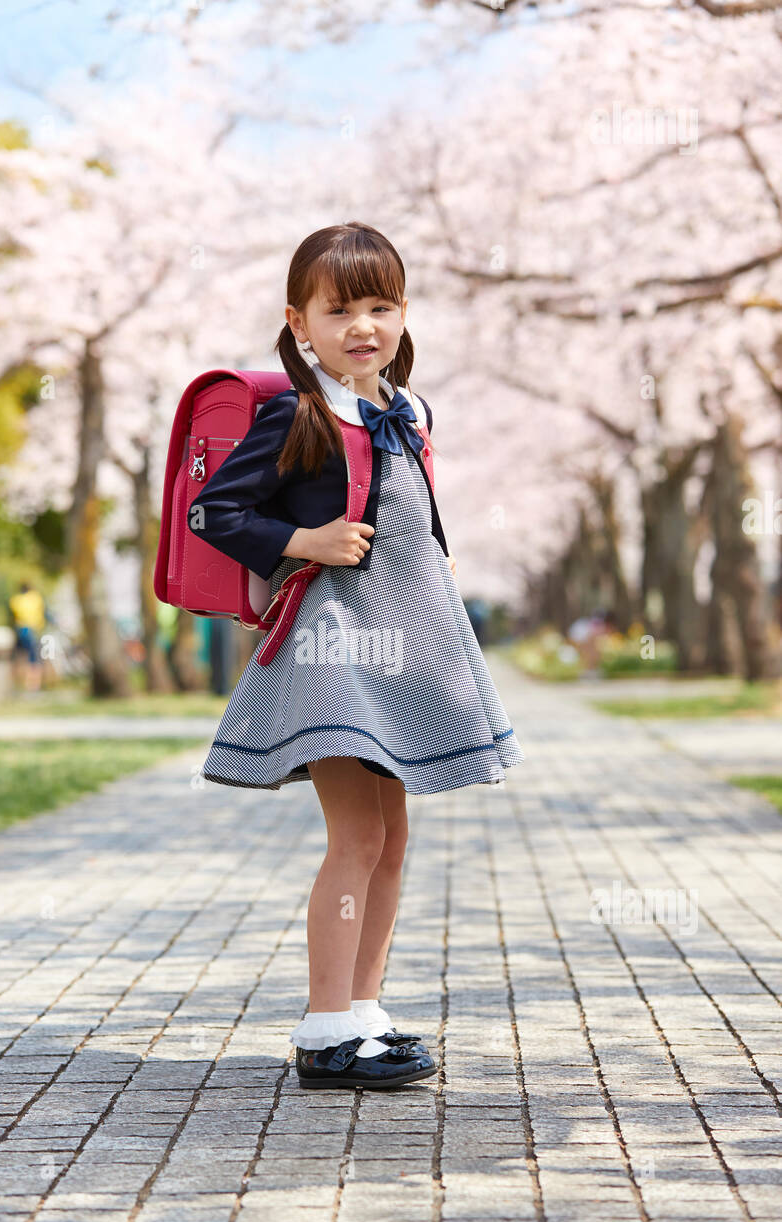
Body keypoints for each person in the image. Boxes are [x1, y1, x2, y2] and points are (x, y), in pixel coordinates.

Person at [187, 222, 526, 1091]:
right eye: (340, 310)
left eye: (381, 306)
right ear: (299, 322)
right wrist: (306, 536)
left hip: (399, 649)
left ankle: (365, 1011)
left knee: (395, 834)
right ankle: (324, 1025)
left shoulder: (405, 410)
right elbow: (214, 514)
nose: (363, 326)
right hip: (333, 652)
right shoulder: (297, 415)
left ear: (405, 313)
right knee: (359, 833)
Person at [9, 581, 45, 692]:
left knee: (17, 658)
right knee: (34, 659)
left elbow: (11, 617)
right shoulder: (36, 598)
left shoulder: (15, 600)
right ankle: (33, 687)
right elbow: (45, 613)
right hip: (31, 630)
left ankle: (14, 685)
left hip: (19, 630)